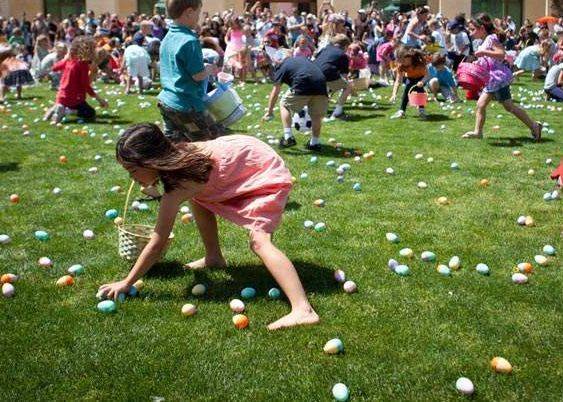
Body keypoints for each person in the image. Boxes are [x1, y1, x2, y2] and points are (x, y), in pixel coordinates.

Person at [98, 123, 320, 331]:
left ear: (150, 161)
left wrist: (126, 282)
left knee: (259, 242)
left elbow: (157, 243)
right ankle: (214, 258)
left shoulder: (181, 183)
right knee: (198, 198)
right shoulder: (180, 162)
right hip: (245, 156)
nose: (131, 177)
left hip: (261, 170)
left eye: (132, 170)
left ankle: (303, 309)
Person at [462, 13, 542, 140]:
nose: (471, 33)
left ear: (482, 28)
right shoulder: (484, 40)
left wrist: (483, 52)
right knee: (484, 105)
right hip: (492, 79)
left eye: (473, 29)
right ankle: (478, 132)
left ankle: (534, 125)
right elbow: (488, 60)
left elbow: (501, 54)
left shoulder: (491, 38)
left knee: (507, 107)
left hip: (498, 79)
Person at [158, 0, 220, 143]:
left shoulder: (168, 37)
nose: (199, 17)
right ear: (189, 12)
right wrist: (209, 69)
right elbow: (198, 76)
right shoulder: (190, 40)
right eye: (198, 12)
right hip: (186, 105)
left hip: (167, 101)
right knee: (210, 142)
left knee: (176, 146)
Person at [264, 53, 328, 151]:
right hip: (321, 83)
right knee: (316, 116)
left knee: (284, 104)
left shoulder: (282, 66)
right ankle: (315, 143)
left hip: (303, 81)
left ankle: (288, 137)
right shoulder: (300, 60)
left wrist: (269, 112)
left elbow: (275, 91)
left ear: (277, 61)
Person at [42, 36, 108, 123]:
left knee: (61, 103)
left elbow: (55, 68)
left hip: (61, 96)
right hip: (75, 99)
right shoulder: (83, 65)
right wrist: (99, 99)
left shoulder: (69, 61)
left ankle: (54, 110)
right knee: (90, 113)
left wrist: (65, 59)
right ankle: (66, 111)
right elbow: (86, 85)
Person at [314, 34, 352, 120]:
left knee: (328, 87)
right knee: (348, 87)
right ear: (345, 46)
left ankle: (319, 109)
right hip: (327, 72)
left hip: (313, 71)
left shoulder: (325, 49)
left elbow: (318, 59)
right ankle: (338, 111)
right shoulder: (343, 55)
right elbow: (344, 77)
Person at [389, 47, 429, 119]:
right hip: (410, 78)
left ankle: (422, 111)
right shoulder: (401, 65)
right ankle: (401, 111)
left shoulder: (419, 63)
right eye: (400, 61)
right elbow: (398, 81)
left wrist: (422, 82)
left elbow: (427, 75)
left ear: (409, 57)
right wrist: (394, 94)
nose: (402, 62)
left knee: (419, 90)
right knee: (407, 89)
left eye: (403, 60)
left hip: (421, 78)